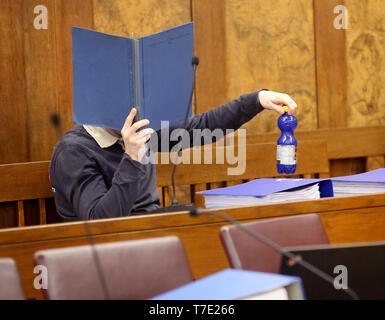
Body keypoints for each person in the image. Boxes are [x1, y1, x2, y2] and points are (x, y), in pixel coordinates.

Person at [50, 90, 297, 221]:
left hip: (156, 235)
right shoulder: (73, 151)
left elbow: (201, 127)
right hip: (109, 255)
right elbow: (101, 222)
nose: (139, 111)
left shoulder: (143, 130)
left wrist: (256, 100)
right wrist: (132, 158)